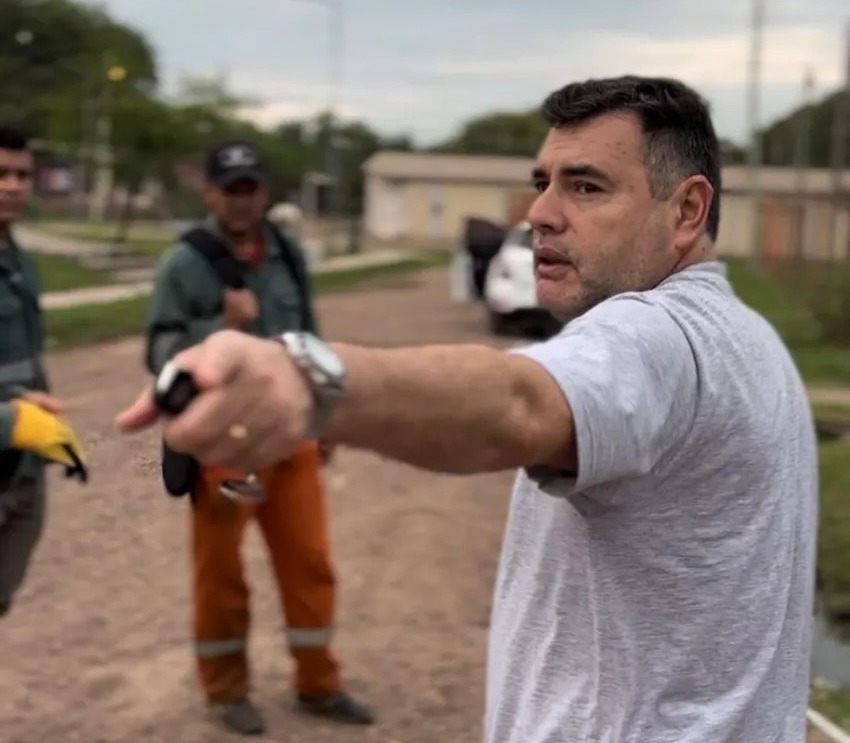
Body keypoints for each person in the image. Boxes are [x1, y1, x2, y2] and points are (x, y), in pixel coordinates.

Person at [118, 77, 818, 742]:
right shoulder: (750, 340)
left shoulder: (653, 336)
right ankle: (230, 685)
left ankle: (314, 677)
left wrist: (311, 379)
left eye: (586, 186)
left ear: (688, 210)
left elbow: (516, 402)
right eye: (542, 182)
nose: (541, 212)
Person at [142, 139, 373, 736]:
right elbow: (160, 352)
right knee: (221, 574)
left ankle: (319, 684)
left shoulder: (289, 253)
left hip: (292, 438)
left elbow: (311, 342)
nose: (242, 200)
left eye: (251, 188)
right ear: (211, 193)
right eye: (230, 189)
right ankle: (226, 692)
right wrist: (223, 326)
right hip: (226, 448)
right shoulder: (186, 263)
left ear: (263, 192)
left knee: (310, 564)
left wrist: (326, 415)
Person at [0, 125, 86, 618]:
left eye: (21, 175)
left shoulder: (21, 262)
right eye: (1, 174)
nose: (12, 185)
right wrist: (15, 416)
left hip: (23, 470)